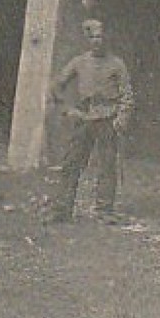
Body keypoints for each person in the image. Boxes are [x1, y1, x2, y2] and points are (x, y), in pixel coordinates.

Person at [46, 19, 135, 225]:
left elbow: (127, 95)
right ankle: (62, 209)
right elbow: (56, 86)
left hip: (107, 119)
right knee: (71, 163)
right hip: (84, 119)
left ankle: (104, 210)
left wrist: (122, 118)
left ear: (107, 39)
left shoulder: (117, 64)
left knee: (107, 166)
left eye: (101, 37)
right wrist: (68, 109)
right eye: (93, 37)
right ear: (87, 40)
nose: (97, 41)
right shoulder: (79, 62)